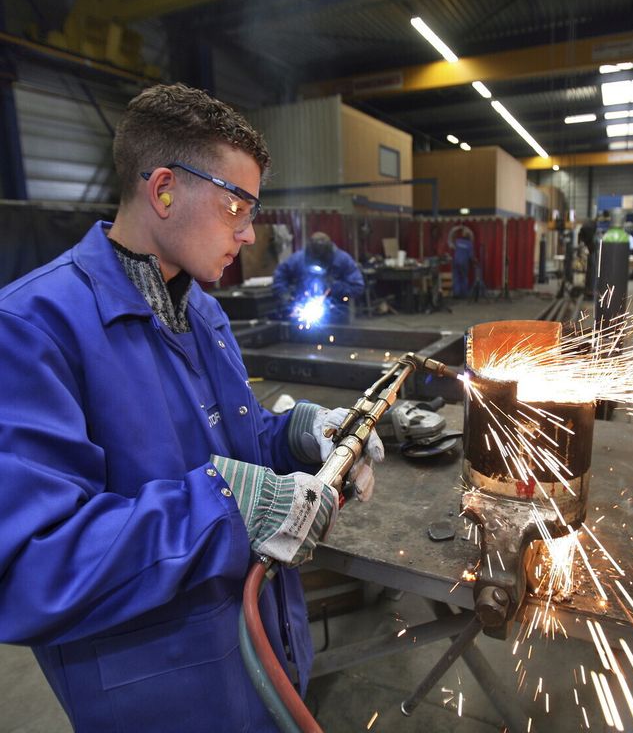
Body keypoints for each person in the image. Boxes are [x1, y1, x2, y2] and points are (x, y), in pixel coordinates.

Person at [0, 83, 383, 733]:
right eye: (236, 204)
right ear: (164, 190)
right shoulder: (31, 328)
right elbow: (30, 564)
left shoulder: (201, 311)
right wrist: (230, 506)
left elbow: (228, 444)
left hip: (267, 663)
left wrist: (294, 436)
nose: (249, 231)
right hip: (169, 701)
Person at [273, 231, 364, 323]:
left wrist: (334, 286)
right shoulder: (298, 259)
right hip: (301, 312)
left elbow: (358, 287)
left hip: (336, 315)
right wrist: (284, 295)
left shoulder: (343, 260)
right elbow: (280, 276)